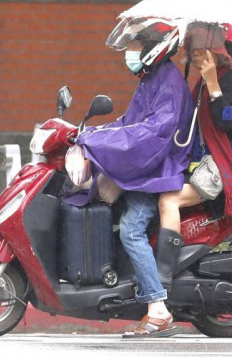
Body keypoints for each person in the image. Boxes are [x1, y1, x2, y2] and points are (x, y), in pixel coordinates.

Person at [77, 18, 193, 338]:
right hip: (144, 169)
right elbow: (128, 122)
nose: (129, 52)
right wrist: (91, 134)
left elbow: (149, 135)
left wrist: (98, 142)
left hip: (155, 172)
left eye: (135, 46)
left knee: (131, 229)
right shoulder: (150, 79)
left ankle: (157, 309)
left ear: (155, 49)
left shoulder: (169, 84)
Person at [157, 23, 232, 266]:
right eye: (192, 47)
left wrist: (213, 86)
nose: (194, 53)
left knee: (169, 200)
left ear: (217, 51)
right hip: (195, 168)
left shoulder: (231, 81)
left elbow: (229, 121)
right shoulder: (198, 85)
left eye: (201, 47)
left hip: (219, 170)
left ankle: (162, 280)